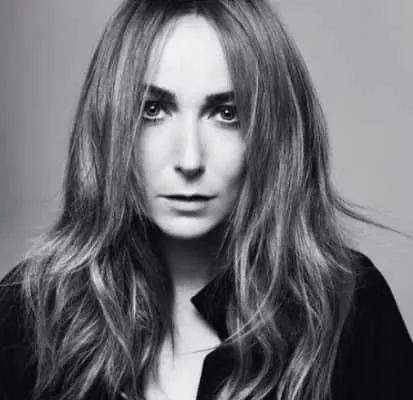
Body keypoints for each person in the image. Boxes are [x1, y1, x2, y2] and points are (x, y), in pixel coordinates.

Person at [0, 0, 412, 399]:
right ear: (108, 123)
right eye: (153, 110)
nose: (190, 159)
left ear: (273, 133)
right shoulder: (28, 314)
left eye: (227, 114)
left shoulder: (349, 307)